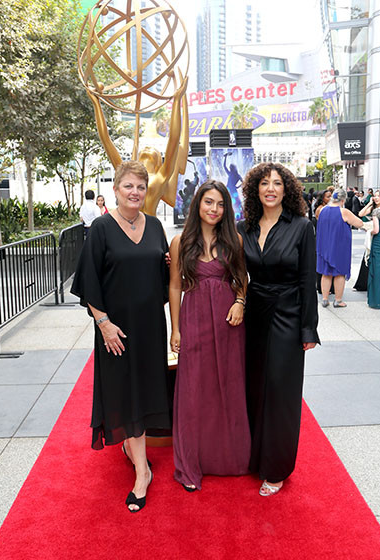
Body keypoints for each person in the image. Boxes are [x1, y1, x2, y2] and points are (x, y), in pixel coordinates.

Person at [71, 161, 170, 513]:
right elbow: (88, 281)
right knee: (125, 393)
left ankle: (133, 448)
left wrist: (172, 264)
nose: (135, 193)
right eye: (128, 186)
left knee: (143, 389)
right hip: (116, 330)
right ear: (115, 189)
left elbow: (162, 276)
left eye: (140, 188)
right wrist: (103, 324)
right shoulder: (100, 228)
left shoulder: (156, 226)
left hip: (149, 326)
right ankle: (142, 473)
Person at [237, 163, 319, 497]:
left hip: (288, 312)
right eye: (264, 183)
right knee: (255, 387)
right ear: (255, 189)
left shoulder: (301, 227)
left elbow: (306, 279)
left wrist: (308, 329)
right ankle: (256, 457)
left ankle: (277, 467)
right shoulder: (244, 227)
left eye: (277, 183)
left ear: (287, 189)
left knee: (281, 393)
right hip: (254, 312)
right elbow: (221, 258)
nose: (271, 188)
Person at [169, 180, 250, 491]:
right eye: (208, 203)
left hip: (228, 321)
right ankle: (193, 462)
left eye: (220, 204)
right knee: (193, 389)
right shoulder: (180, 242)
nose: (214, 209)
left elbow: (241, 278)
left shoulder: (234, 240)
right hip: (194, 317)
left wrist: (241, 302)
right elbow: (175, 285)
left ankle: (227, 458)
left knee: (227, 386)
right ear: (197, 205)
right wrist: (174, 328)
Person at [316, 189, 363, 307]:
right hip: (339, 247)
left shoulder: (322, 210)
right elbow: (359, 223)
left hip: (324, 247)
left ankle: (325, 299)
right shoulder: (343, 212)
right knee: (339, 273)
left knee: (326, 273)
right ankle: (338, 300)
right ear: (343, 200)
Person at [353, 190, 380, 291]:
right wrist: (369, 203)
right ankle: (363, 284)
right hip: (372, 237)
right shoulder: (373, 207)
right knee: (367, 259)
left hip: (379, 236)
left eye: (379, 196)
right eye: (375, 196)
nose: (376, 198)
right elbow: (360, 214)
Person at [368, 185, 380, 309]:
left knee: (377, 270)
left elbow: (376, 230)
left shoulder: (377, 211)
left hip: (379, 241)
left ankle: (377, 300)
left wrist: (370, 232)